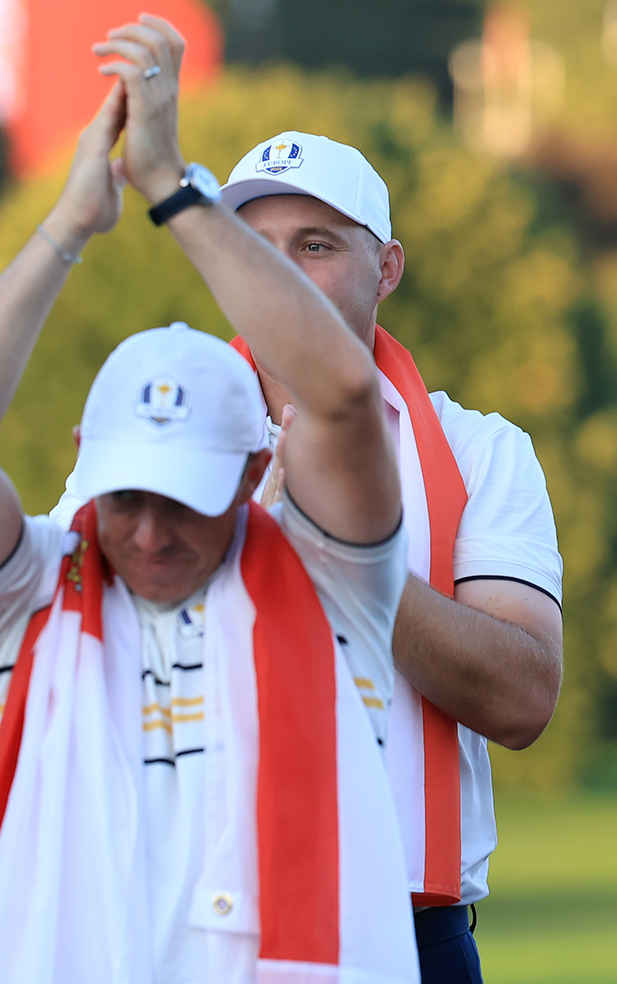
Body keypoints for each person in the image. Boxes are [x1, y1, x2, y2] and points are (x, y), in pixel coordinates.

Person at [0, 16, 418, 984]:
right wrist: (65, 227)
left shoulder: (331, 582)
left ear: (256, 477)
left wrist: (174, 188)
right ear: (87, 461)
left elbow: (339, 395)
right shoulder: (23, 599)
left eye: (183, 498)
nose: (146, 529)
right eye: (126, 494)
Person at [216, 131, 564, 982]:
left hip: (409, 939)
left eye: (317, 244)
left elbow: (522, 695)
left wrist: (336, 554)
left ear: (388, 269)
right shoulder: (146, 438)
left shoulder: (480, 449)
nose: (283, 272)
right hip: (203, 931)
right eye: (255, 249)